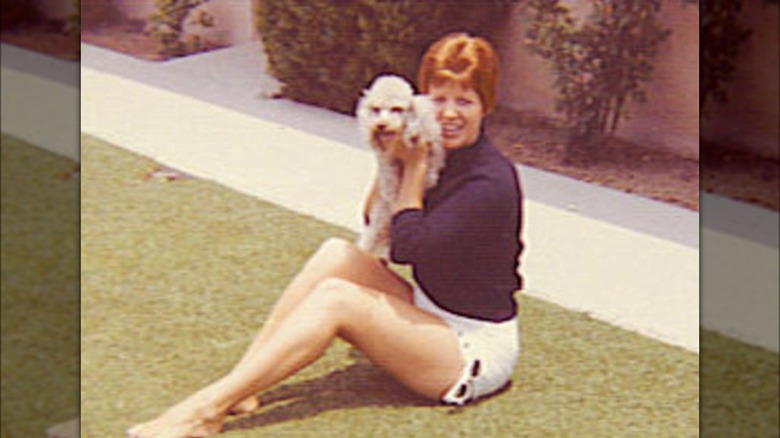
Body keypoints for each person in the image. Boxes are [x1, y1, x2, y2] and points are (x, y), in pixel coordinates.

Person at [127, 32, 524, 438]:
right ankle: (241, 385)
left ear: (486, 106)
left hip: (471, 351)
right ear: (421, 102)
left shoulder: (487, 182)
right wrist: (392, 158)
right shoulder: (434, 148)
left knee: (338, 300)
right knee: (337, 254)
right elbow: (373, 216)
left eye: (465, 101)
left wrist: (416, 168)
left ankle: (205, 413)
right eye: (439, 99)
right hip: (431, 308)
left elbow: (406, 248)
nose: (449, 114)